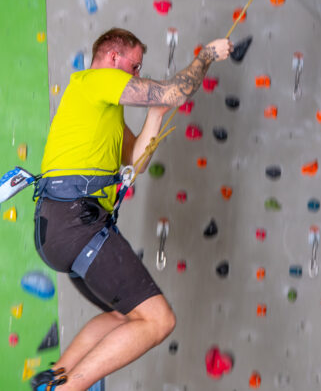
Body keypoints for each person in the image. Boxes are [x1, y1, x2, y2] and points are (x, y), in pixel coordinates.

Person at [31, 27, 232, 391]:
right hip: (75, 222)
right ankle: (68, 388)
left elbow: (134, 165)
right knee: (159, 321)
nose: (137, 74)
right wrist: (207, 55)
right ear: (113, 57)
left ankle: (54, 378)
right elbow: (175, 91)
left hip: (59, 228)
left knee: (124, 316)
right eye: (135, 66)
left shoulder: (100, 105)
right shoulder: (98, 81)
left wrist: (155, 115)